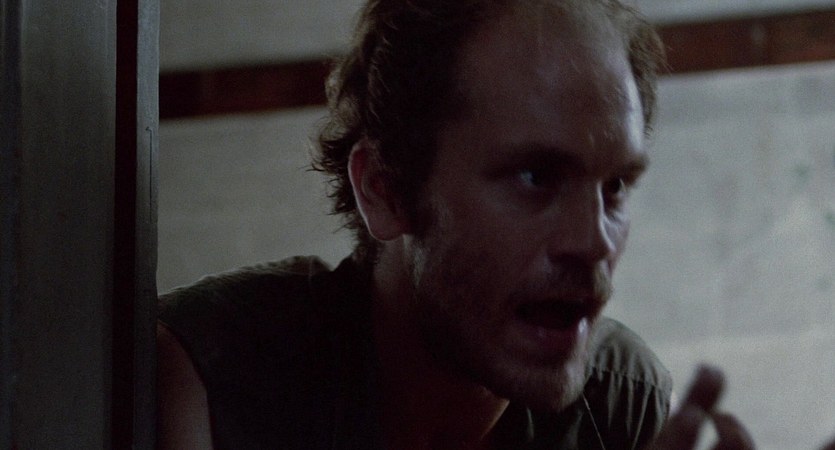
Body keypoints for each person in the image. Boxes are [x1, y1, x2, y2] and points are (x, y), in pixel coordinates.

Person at [157, 0, 759, 448]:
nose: (594, 241)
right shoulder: (220, 373)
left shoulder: (620, 404)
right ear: (385, 189)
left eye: (615, 187)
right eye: (536, 177)